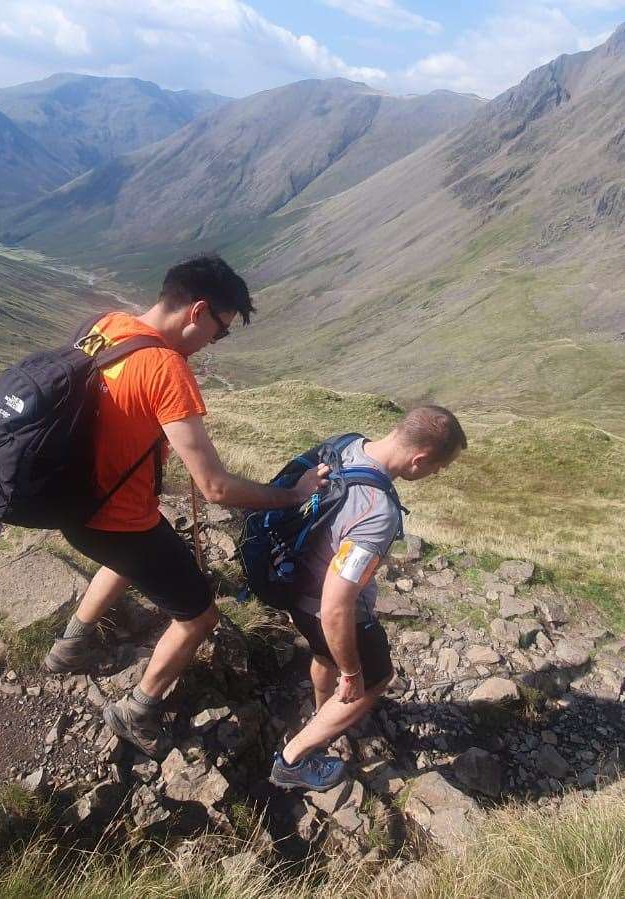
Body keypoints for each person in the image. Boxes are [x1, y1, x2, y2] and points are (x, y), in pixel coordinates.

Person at [41, 254, 327, 758]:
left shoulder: (107, 324)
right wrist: (293, 495)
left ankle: (68, 648)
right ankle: (137, 710)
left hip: (74, 504)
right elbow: (215, 488)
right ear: (197, 311)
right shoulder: (165, 367)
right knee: (198, 619)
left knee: (125, 562)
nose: (214, 344)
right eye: (219, 332)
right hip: (118, 519)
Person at [269, 406, 467, 791]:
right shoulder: (378, 512)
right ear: (419, 459)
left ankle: (322, 714)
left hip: (292, 584)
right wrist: (353, 673)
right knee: (375, 680)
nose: (435, 475)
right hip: (329, 612)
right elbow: (336, 604)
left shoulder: (347, 445)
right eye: (437, 468)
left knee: (322, 655)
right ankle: (293, 759)